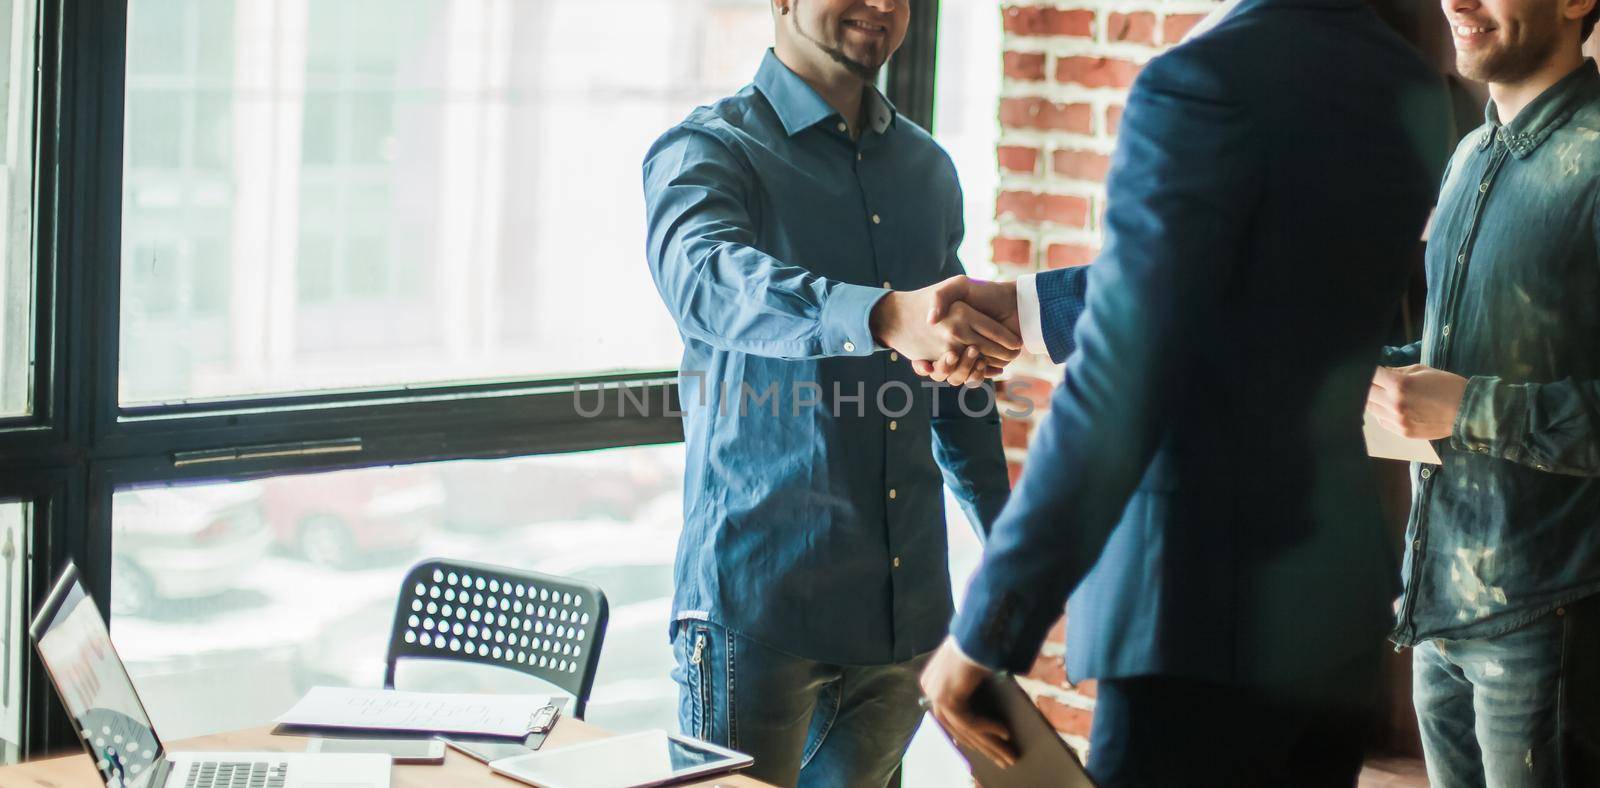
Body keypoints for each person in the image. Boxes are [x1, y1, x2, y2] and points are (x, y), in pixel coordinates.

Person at [915, 0, 1455, 784]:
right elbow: (1262, 281)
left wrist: (984, 630)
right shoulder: (1404, 81)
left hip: (1196, 621)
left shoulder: (1204, 79)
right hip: (1335, 616)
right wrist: (1036, 308)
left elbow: (1120, 386)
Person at [640, 1, 1017, 785]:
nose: (882, 5)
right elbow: (705, 282)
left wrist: (1012, 545)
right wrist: (881, 315)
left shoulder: (927, 169)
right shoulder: (709, 150)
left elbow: (951, 382)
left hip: (903, 616)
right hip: (760, 612)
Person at [1363, 0, 1600, 780]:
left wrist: (1465, 410)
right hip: (1434, 610)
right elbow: (1455, 352)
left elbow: (1466, 392)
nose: (1457, 2)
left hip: (1547, 623)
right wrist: (1360, 371)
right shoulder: (1468, 155)